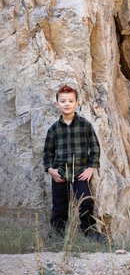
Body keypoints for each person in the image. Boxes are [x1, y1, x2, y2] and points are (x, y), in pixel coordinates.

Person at [43, 84, 105, 241]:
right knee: (59, 206)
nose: (67, 104)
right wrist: (51, 169)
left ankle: (89, 231)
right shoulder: (54, 129)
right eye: (63, 101)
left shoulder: (85, 125)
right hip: (60, 173)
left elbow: (95, 148)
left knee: (86, 201)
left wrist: (91, 168)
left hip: (80, 172)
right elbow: (48, 153)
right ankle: (57, 234)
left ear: (77, 103)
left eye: (70, 101)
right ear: (57, 104)